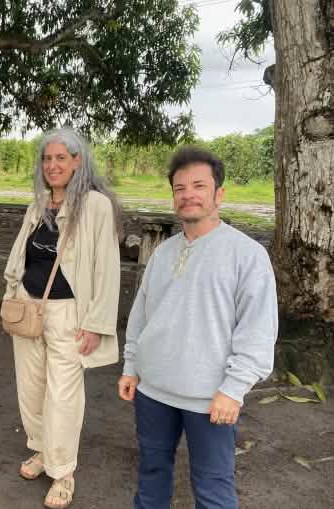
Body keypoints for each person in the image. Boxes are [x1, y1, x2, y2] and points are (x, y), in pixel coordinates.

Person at [117, 147, 278, 509]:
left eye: (199, 186)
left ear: (219, 194)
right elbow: (142, 314)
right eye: (179, 188)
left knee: (212, 487)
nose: (188, 194)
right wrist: (131, 366)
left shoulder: (247, 255)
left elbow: (258, 330)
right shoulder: (163, 252)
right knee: (151, 474)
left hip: (211, 398)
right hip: (154, 391)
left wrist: (234, 389)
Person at [3, 127, 122, 509]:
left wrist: (97, 323)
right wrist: (12, 293)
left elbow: (107, 268)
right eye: (46, 158)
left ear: (77, 162)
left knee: (63, 394)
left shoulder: (95, 206)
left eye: (60, 158)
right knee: (31, 388)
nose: (52, 165)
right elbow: (19, 256)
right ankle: (41, 451)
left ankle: (63, 470)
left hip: (70, 313)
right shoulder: (38, 205)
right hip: (30, 308)